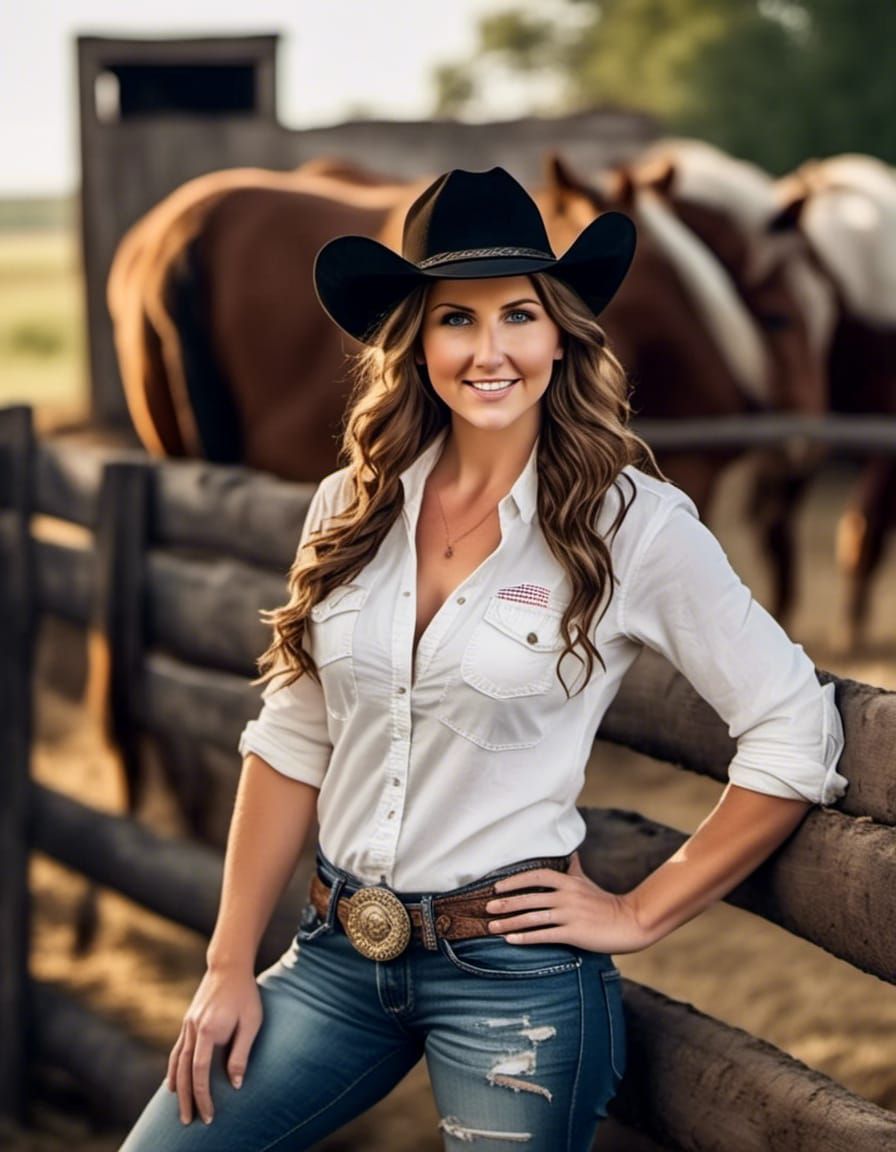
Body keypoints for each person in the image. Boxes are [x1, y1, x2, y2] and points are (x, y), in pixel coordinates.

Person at [119, 167, 847, 1152]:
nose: (489, 351)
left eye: (519, 315)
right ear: (415, 342)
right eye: (455, 319)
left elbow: (791, 724)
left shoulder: (631, 523)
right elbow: (292, 738)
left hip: (512, 988)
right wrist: (227, 965)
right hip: (334, 959)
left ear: (560, 335)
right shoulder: (349, 505)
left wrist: (640, 913)